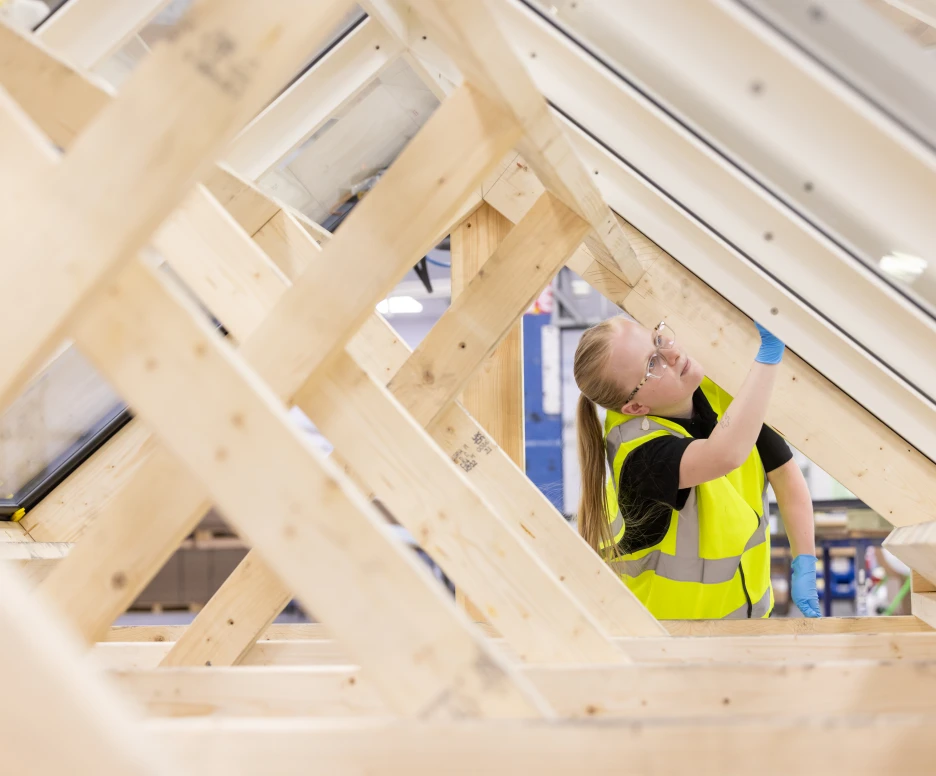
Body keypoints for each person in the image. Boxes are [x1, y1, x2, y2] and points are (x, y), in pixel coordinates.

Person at [574, 316, 820, 619]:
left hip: (748, 625)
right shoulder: (639, 456)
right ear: (635, 408)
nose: (672, 353)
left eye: (657, 339)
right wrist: (768, 355)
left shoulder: (720, 391)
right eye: (652, 364)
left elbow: (783, 472)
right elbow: (724, 454)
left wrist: (805, 562)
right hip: (667, 639)